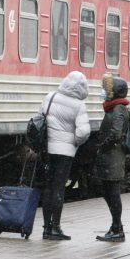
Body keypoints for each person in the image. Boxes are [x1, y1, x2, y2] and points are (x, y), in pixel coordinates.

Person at [40, 71, 91, 240]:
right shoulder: (78, 105)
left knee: (47, 187)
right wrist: (74, 142)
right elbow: (83, 132)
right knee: (58, 188)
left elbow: (41, 120)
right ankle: (56, 227)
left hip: (47, 150)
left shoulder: (50, 97)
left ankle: (46, 228)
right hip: (65, 153)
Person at [93, 74, 129, 242]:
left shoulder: (119, 109)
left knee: (112, 193)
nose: (105, 93)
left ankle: (117, 229)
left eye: (107, 90)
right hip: (110, 156)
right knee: (108, 191)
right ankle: (116, 227)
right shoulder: (114, 108)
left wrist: (103, 146)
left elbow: (116, 133)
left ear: (116, 92)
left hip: (113, 157)